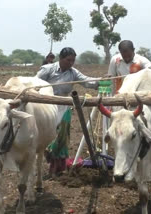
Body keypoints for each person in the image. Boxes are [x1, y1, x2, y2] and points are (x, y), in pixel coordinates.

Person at [36, 47, 99, 178]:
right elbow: (35, 83)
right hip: (47, 105)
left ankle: (56, 169)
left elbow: (86, 81)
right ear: (61, 58)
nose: (71, 63)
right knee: (49, 136)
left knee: (61, 138)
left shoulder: (73, 72)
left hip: (64, 106)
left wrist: (101, 81)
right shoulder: (48, 69)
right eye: (68, 60)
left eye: (73, 61)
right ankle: (48, 159)